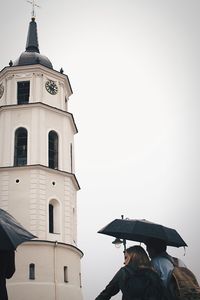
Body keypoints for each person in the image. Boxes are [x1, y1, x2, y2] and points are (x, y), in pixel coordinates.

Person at [95, 245, 166, 300]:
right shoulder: (153, 274)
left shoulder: (124, 272)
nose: (124, 262)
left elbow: (107, 293)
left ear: (133, 257)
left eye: (126, 258)